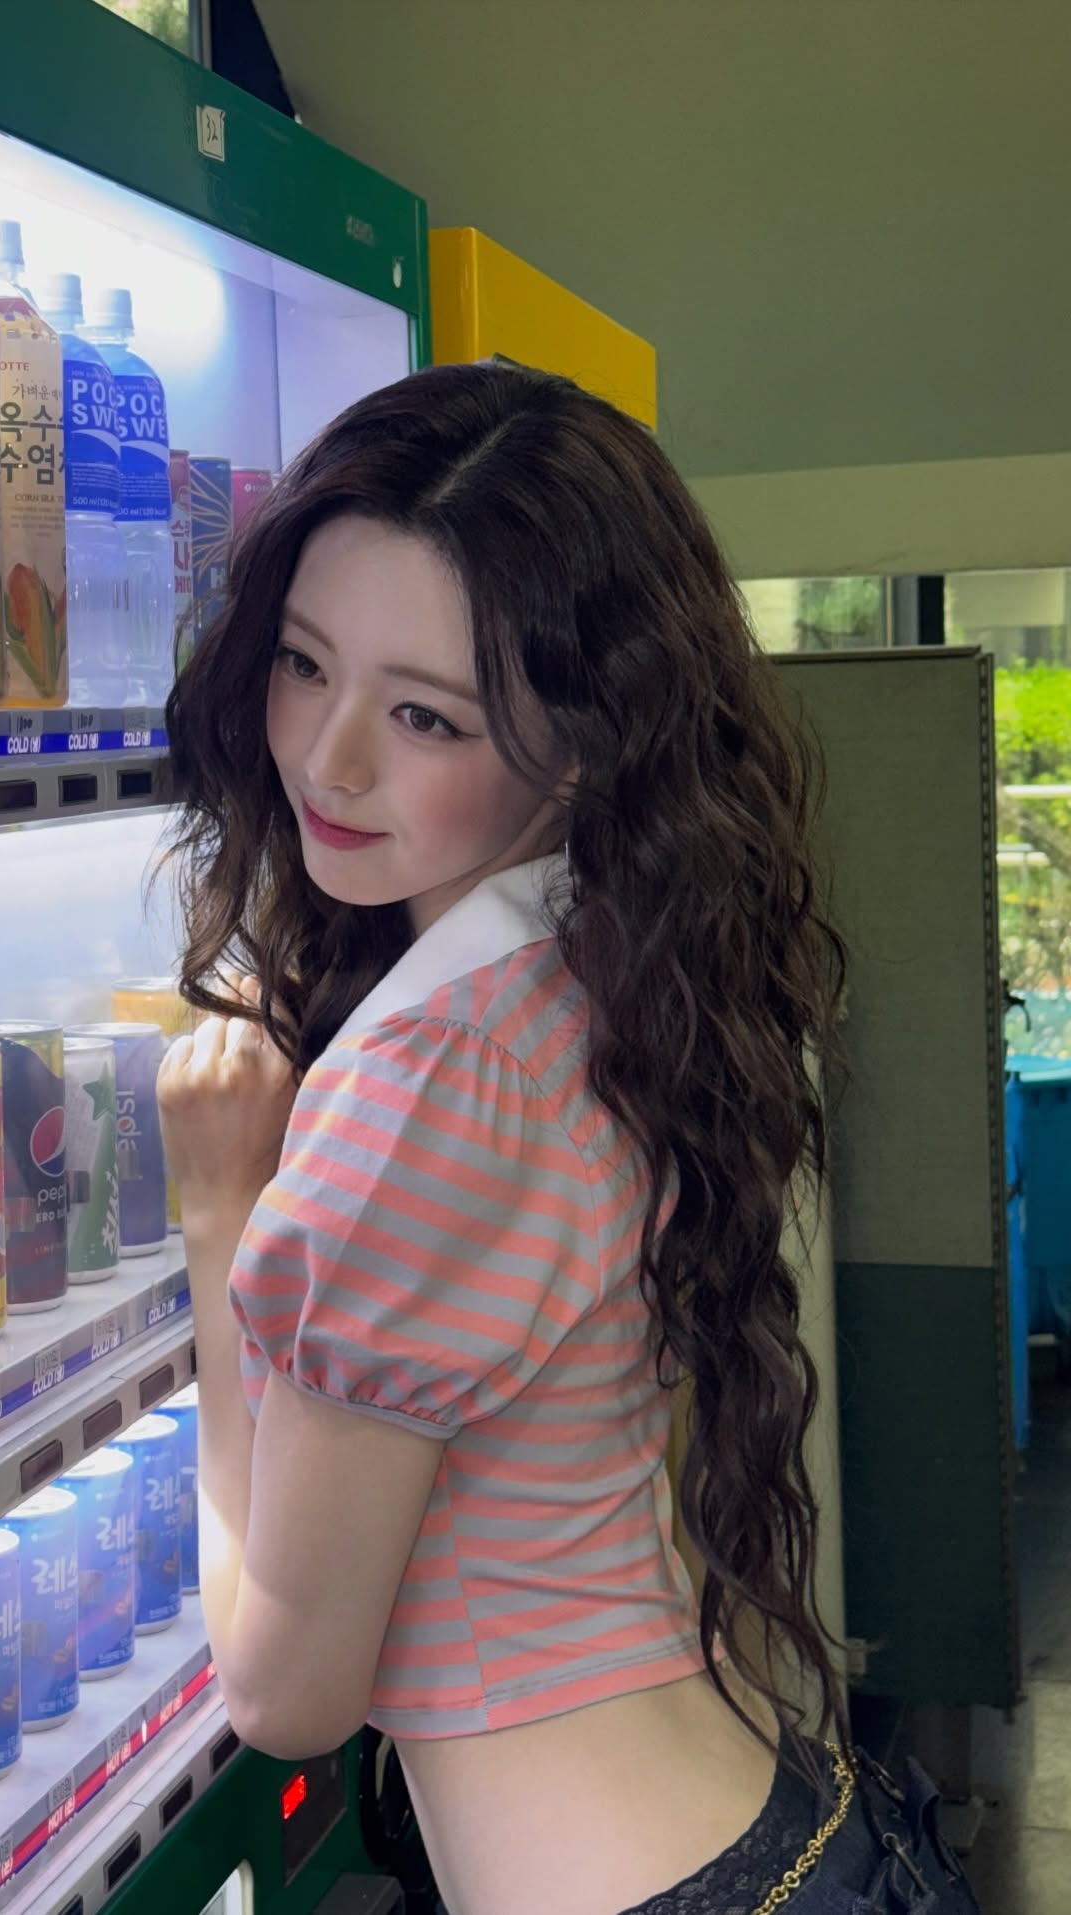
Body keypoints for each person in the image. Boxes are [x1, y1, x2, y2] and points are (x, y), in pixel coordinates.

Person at [155, 362, 980, 1915]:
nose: (329, 759)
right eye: (303, 663)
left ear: (585, 742)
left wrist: (220, 1215)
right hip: (777, 1821)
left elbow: (286, 1695)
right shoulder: (606, 956)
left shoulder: (425, 1086)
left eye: (424, 715)